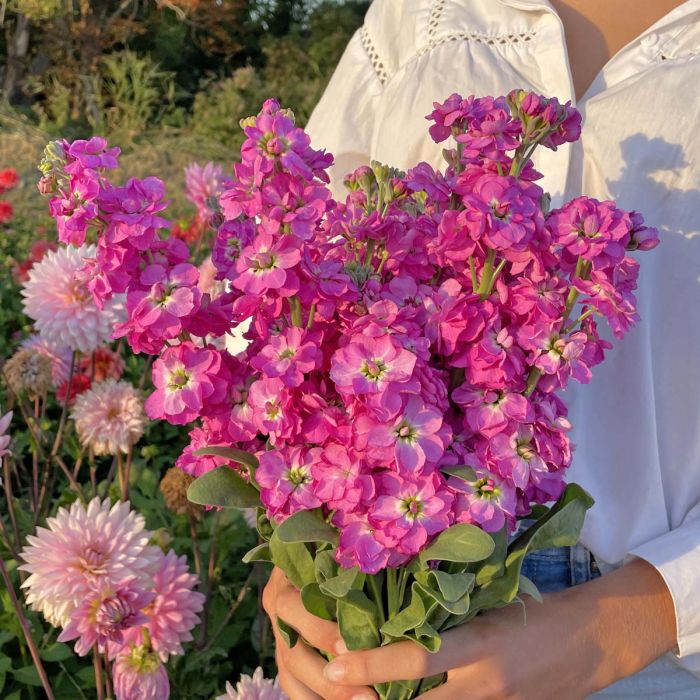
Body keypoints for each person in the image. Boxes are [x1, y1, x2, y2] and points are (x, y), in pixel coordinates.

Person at [262, 0, 700, 697]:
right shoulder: (423, 17)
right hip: (384, 591)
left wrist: (626, 623)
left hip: (658, 655)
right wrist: (307, 552)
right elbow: (303, 269)